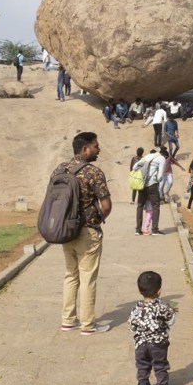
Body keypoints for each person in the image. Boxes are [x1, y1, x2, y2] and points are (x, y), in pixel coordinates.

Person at [55, 132, 113, 335]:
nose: (99, 149)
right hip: (87, 232)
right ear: (85, 149)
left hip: (65, 231)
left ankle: (68, 320)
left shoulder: (60, 170)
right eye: (96, 146)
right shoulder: (93, 172)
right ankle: (88, 325)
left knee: (70, 275)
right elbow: (106, 205)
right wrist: (97, 220)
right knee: (88, 277)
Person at [128, 271, 177, 385]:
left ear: (140, 291)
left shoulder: (136, 308)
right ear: (159, 290)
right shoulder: (162, 306)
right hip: (158, 343)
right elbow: (171, 321)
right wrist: (171, 312)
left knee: (142, 365)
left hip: (140, 344)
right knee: (160, 365)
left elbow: (132, 326)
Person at [136, 149, 166, 235]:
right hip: (152, 184)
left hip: (142, 185)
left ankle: (138, 230)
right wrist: (157, 180)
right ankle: (154, 230)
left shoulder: (146, 157)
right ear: (164, 155)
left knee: (140, 206)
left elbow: (135, 167)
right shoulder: (161, 158)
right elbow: (160, 174)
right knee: (156, 206)